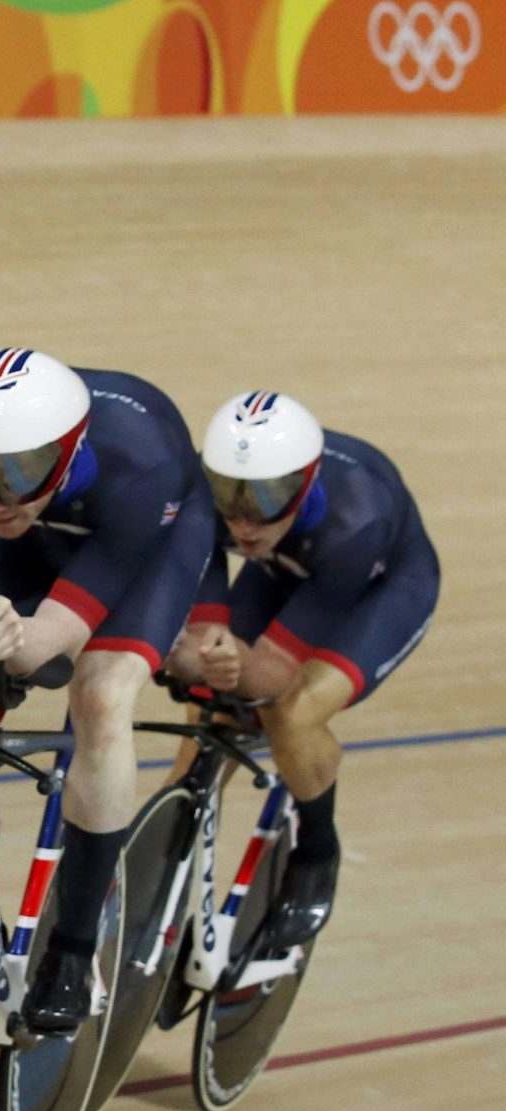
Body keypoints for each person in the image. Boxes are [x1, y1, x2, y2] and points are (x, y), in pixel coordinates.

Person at [0, 349, 213, 1036]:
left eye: (16, 474)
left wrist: (5, 635)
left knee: (101, 699)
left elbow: (46, 642)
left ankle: (73, 950)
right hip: (31, 543)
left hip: (146, 544)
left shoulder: (141, 464)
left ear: (68, 450)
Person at [168, 391, 437, 946]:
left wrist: (199, 662)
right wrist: (201, 647)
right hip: (282, 567)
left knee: (289, 712)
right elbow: (197, 569)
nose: (244, 521)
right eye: (231, 499)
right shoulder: (219, 497)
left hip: (378, 591)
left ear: (306, 482)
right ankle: (161, 863)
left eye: (266, 501)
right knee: (204, 722)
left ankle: (317, 853)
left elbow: (269, 675)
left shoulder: (357, 515)